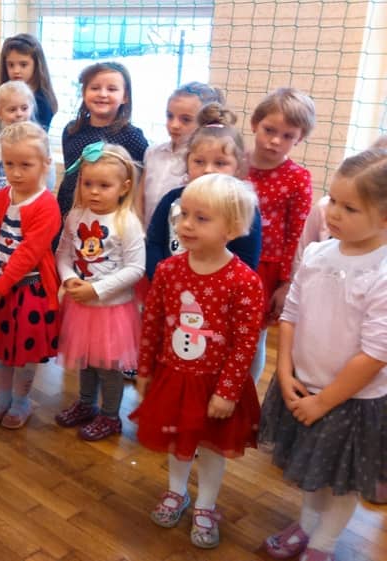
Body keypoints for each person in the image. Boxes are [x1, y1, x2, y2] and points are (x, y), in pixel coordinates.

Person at [257, 148, 387, 561]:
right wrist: (284, 371)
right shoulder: (317, 254)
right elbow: (291, 315)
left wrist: (325, 401)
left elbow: (375, 354)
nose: (333, 212)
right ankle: (308, 525)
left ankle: (323, 544)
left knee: (340, 482)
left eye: (350, 208)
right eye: (332, 199)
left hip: (350, 400)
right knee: (313, 469)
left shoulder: (383, 272)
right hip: (304, 386)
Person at [130, 174, 264, 550]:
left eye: (201, 218)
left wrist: (227, 392)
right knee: (178, 440)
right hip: (173, 377)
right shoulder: (168, 270)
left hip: (215, 385)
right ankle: (176, 492)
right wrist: (144, 370)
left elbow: (245, 344)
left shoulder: (244, 281)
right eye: (183, 214)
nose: (186, 224)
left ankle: (205, 504)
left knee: (211, 447)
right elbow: (152, 323)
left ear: (232, 229)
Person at [0, 121, 61, 429]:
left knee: (24, 354)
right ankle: (3, 396)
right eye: (9, 164)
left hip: (28, 292)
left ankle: (21, 400)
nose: (16, 173)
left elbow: (28, 254)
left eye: (25, 165)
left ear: (46, 164)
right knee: (1, 350)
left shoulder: (48, 206)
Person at [53, 142, 145, 440]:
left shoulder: (127, 222)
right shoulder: (75, 216)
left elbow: (136, 269)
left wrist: (96, 289)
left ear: (124, 187)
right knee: (85, 358)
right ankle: (86, 403)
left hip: (111, 310)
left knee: (108, 366)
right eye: (87, 183)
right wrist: (69, 279)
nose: (94, 191)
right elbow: (63, 254)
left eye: (104, 185)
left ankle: (110, 416)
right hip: (80, 305)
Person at [145, 103, 262, 280]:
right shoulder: (172, 199)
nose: (208, 170)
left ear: (238, 167)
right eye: (199, 162)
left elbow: (247, 259)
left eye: (220, 163)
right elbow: (154, 243)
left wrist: (210, 287)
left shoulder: (241, 206)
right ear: (187, 161)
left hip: (218, 290)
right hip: (171, 286)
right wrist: (162, 278)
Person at [247, 87, 317, 376]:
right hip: (227, 259)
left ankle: (247, 394)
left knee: (254, 337)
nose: (275, 141)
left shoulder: (298, 179)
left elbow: (296, 235)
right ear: (255, 124)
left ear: (299, 138)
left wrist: (286, 283)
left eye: (288, 136)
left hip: (267, 269)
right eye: (269, 130)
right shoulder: (234, 164)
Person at [57, 62, 148, 221]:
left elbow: (138, 183)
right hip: (70, 210)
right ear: (84, 92)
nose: (102, 94)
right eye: (95, 88)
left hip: (109, 218)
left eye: (112, 89)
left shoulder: (132, 137)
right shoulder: (71, 131)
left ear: (125, 96)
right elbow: (70, 174)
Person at [138, 82, 224, 226]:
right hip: (146, 233)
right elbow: (140, 198)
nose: (174, 125)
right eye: (170, 116)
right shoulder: (153, 152)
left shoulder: (200, 162)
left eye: (186, 119)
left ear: (205, 122)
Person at [0, 33, 58, 137]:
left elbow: (37, 140)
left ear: (36, 65)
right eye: (11, 65)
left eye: (23, 65)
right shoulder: (3, 95)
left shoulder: (42, 101)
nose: (16, 71)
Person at [0, 81, 36, 194]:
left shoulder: (37, 145)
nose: (19, 114)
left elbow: (45, 181)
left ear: (31, 108)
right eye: (12, 109)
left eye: (24, 108)